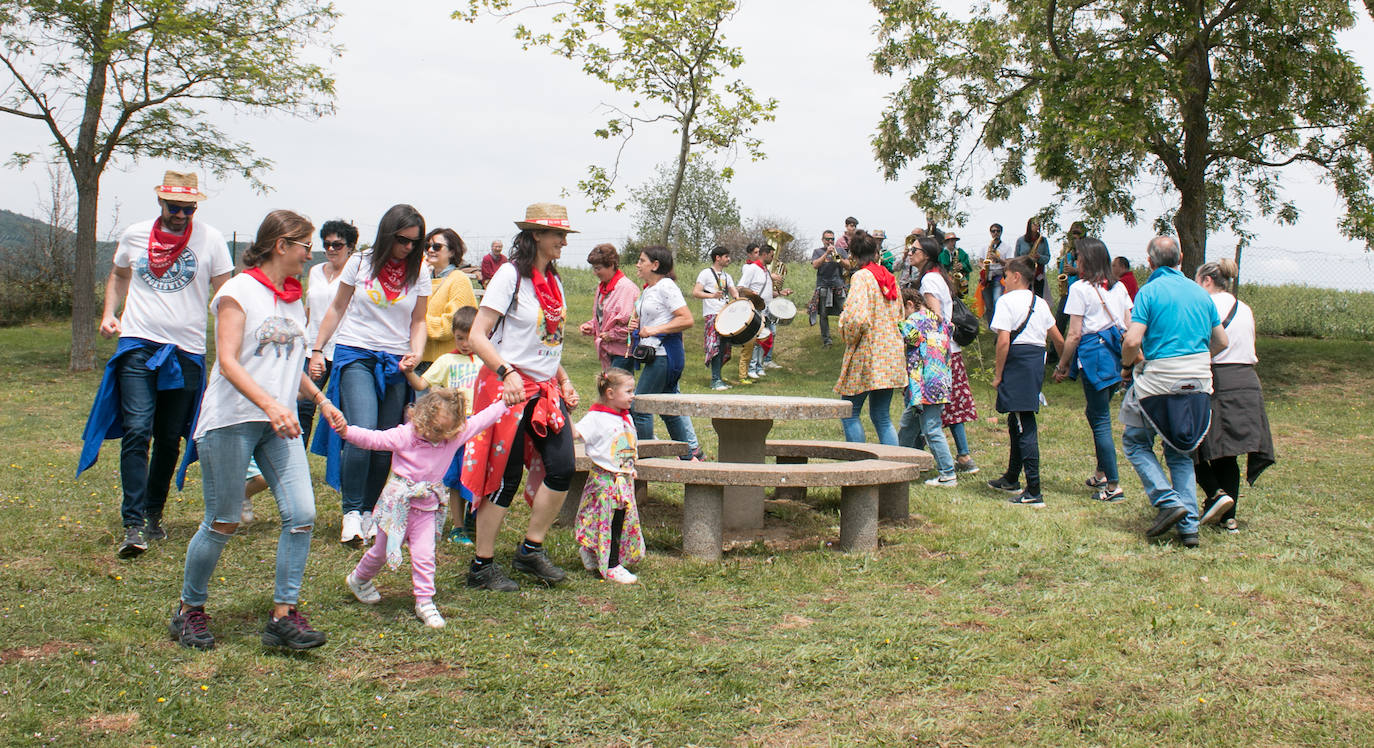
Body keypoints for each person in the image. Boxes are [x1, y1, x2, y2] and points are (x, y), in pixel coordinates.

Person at [169, 209, 340, 650]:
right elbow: (228, 361)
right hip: (231, 420)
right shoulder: (238, 291)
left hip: (277, 423)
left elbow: (286, 362)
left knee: (302, 515)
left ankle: (283, 616)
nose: (309, 255)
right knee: (223, 519)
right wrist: (268, 403)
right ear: (282, 244)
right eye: (305, 246)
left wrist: (320, 399)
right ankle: (189, 610)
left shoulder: (291, 297)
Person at [79, 170, 233, 559]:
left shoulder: (212, 240)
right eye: (174, 207)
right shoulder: (134, 234)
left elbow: (227, 295)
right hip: (138, 344)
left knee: (168, 437)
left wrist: (237, 340)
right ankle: (132, 523)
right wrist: (109, 313)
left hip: (186, 350)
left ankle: (153, 512)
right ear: (160, 203)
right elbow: (118, 273)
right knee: (137, 429)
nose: (181, 215)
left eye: (189, 208)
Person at [460, 202, 580, 592]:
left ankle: (531, 549)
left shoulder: (554, 280)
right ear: (535, 237)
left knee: (562, 467)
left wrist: (562, 377)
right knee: (503, 478)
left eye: (564, 234)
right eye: (557, 234)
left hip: (545, 390)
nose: (563, 240)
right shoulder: (509, 276)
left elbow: (549, 340)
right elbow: (478, 335)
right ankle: (482, 565)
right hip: (508, 388)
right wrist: (506, 371)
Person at [309, 204, 432, 547]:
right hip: (356, 352)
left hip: (396, 360)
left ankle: (369, 512)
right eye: (403, 241)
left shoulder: (418, 270)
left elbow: (419, 320)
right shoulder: (360, 262)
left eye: (415, 242)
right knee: (361, 431)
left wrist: (416, 352)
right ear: (387, 235)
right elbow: (337, 308)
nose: (408, 248)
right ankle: (350, 513)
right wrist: (318, 349)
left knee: (386, 443)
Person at [342, 387, 509, 628]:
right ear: (422, 416)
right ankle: (358, 579)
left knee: (425, 555)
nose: (437, 435)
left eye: (444, 431)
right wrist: (346, 431)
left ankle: (424, 601)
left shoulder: (452, 437)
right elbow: (374, 439)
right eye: (433, 428)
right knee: (380, 552)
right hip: (398, 506)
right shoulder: (406, 435)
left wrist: (505, 403)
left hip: (426, 508)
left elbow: (482, 420)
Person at [1119, 236, 1230, 548]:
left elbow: (1132, 341)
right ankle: (1189, 528)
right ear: (1181, 259)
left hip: (1158, 382)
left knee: (1136, 442)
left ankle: (1167, 501)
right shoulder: (1200, 293)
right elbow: (1221, 342)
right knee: (1180, 450)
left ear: (1150, 262)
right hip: (1197, 381)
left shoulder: (1149, 292)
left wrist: (1127, 367)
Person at [1193, 259, 1276, 534]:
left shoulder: (1206, 305)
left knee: (1192, 445)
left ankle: (1215, 494)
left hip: (1219, 380)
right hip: (1248, 380)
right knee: (1228, 454)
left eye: (1196, 281)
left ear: (1206, 280)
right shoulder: (1245, 308)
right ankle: (1229, 518)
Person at [1052, 238, 1133, 502]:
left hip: (1094, 355)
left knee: (1100, 420)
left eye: (1078, 257)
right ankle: (1101, 471)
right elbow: (1129, 326)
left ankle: (1113, 485)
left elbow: (1074, 334)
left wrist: (1062, 364)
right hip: (1114, 356)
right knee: (1095, 412)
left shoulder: (1080, 289)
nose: (1076, 262)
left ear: (1088, 260)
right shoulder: (1119, 287)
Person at [987, 257, 1065, 507]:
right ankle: (1012, 477)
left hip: (1017, 360)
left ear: (1017, 277)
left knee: (1024, 422)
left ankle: (1034, 490)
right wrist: (1063, 366)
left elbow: (1003, 341)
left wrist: (998, 375)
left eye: (1006, 275)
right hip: (1035, 359)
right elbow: (1058, 339)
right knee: (1016, 419)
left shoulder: (1006, 301)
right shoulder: (1039, 302)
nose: (1003, 280)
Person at [405, 306, 484, 545]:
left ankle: (474, 517)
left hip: (480, 427)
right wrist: (408, 371)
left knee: (478, 474)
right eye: (460, 338)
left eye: (470, 338)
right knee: (455, 476)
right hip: (456, 428)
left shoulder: (486, 360)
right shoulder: (446, 360)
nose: (465, 344)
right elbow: (421, 384)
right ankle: (458, 527)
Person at [908, 236, 980, 473]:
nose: (910, 252)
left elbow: (935, 319)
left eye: (914, 249)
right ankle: (963, 456)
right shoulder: (938, 275)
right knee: (949, 406)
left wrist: (914, 317)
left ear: (926, 255)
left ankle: (930, 459)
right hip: (951, 351)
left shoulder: (929, 280)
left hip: (938, 354)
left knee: (927, 406)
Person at [627, 245, 704, 459]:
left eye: (642, 260)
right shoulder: (649, 289)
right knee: (668, 409)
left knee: (639, 406)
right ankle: (691, 456)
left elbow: (686, 319)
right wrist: (637, 324)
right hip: (655, 354)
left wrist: (654, 329)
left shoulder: (666, 286)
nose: (637, 264)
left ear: (655, 265)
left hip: (665, 355)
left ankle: (644, 459)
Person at [572, 368, 645, 584]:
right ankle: (611, 564)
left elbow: (626, 444)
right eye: (629, 391)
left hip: (622, 480)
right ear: (611, 393)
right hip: (604, 481)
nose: (633, 395)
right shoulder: (596, 417)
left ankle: (598, 554)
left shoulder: (625, 417)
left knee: (618, 520)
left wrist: (630, 466)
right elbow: (576, 433)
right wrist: (566, 410)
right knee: (603, 519)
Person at [834, 230, 906, 445]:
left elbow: (856, 319)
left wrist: (847, 334)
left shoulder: (861, 277)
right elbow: (900, 314)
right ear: (876, 252)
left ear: (853, 255)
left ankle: (859, 466)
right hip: (890, 353)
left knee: (850, 411)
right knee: (882, 416)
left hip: (869, 352)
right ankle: (892, 466)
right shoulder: (890, 277)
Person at [297, 219, 355, 447]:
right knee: (303, 404)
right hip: (313, 348)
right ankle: (296, 456)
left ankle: (340, 462)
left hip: (342, 349)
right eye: (327, 244)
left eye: (337, 244)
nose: (331, 249)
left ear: (350, 246)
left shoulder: (355, 275)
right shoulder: (314, 272)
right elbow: (308, 309)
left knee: (341, 408)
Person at [897, 287, 957, 487]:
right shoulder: (938, 320)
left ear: (910, 305)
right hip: (941, 380)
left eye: (902, 309)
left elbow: (910, 337)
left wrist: (896, 322)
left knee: (931, 429)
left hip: (926, 383)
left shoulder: (915, 320)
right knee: (908, 425)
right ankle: (897, 464)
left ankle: (948, 473)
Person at [420, 227, 478, 372]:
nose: (430, 250)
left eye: (437, 246)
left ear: (452, 251)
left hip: (447, 366)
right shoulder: (423, 280)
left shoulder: (458, 280)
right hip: (420, 362)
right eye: (427, 246)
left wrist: (417, 322)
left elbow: (449, 326)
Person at [580, 243, 638, 371]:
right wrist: (591, 326)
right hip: (607, 350)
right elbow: (603, 318)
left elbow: (630, 324)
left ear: (611, 265)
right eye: (594, 268)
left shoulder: (626, 288)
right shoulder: (602, 288)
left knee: (618, 388)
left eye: (598, 268)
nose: (595, 273)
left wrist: (612, 335)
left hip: (622, 353)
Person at [693, 245, 738, 389]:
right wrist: (712, 295)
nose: (728, 259)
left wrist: (738, 300)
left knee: (725, 347)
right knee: (715, 347)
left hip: (725, 314)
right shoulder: (705, 273)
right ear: (717, 258)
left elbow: (733, 291)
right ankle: (715, 380)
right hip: (712, 314)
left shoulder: (727, 276)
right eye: (726, 256)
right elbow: (696, 292)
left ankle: (718, 377)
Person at [736, 242, 772, 382]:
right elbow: (741, 287)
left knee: (764, 339)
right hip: (755, 308)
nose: (772, 258)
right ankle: (750, 369)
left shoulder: (765, 270)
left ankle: (758, 366)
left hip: (766, 309)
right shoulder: (752, 268)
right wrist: (753, 295)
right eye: (771, 255)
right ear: (764, 254)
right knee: (754, 340)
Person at [809, 230, 849, 347]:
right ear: (823, 240)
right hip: (823, 286)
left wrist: (837, 257)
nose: (830, 241)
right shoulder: (817, 251)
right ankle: (827, 340)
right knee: (824, 314)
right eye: (828, 239)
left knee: (845, 312)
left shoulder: (840, 251)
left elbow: (848, 265)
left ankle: (848, 338)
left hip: (838, 286)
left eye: (832, 239)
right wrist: (826, 253)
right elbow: (815, 265)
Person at [1015, 217, 1053, 303]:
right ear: (1029, 226)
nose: (1037, 226)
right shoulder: (1021, 240)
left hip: (1038, 274)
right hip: (1024, 272)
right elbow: (1016, 258)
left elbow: (1047, 258)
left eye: (1038, 224)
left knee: (1038, 299)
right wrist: (1026, 259)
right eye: (1034, 224)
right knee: (1024, 298)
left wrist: (1039, 257)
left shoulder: (1043, 240)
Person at [977, 223, 1008, 323]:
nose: (995, 233)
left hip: (998, 277)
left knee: (997, 301)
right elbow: (980, 261)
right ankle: (991, 325)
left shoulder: (1006, 247)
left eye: (998, 231)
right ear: (990, 233)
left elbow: (1009, 263)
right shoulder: (985, 247)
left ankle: (999, 324)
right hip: (986, 278)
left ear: (1001, 232)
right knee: (988, 304)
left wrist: (997, 259)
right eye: (993, 231)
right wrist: (983, 267)